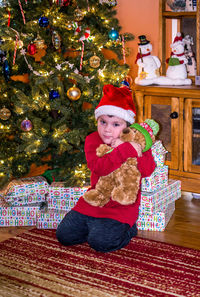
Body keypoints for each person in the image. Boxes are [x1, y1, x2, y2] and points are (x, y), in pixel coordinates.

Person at [56, 84, 156, 252]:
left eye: (115, 124)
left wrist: (139, 149)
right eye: (103, 122)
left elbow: (147, 170)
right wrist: (124, 151)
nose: (107, 129)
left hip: (121, 206)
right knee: (64, 236)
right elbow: (98, 167)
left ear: (127, 126)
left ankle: (127, 229)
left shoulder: (135, 142)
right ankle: (94, 227)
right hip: (94, 199)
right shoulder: (93, 140)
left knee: (101, 243)